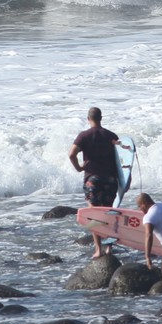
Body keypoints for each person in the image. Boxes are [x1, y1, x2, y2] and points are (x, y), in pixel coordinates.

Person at [69, 106, 125, 256]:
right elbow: (123, 154)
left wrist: (79, 168)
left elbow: (71, 154)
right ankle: (109, 248)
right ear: (101, 118)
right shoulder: (111, 135)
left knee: (93, 214)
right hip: (110, 179)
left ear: (88, 119)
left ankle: (98, 249)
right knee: (108, 213)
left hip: (92, 179)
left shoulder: (84, 136)